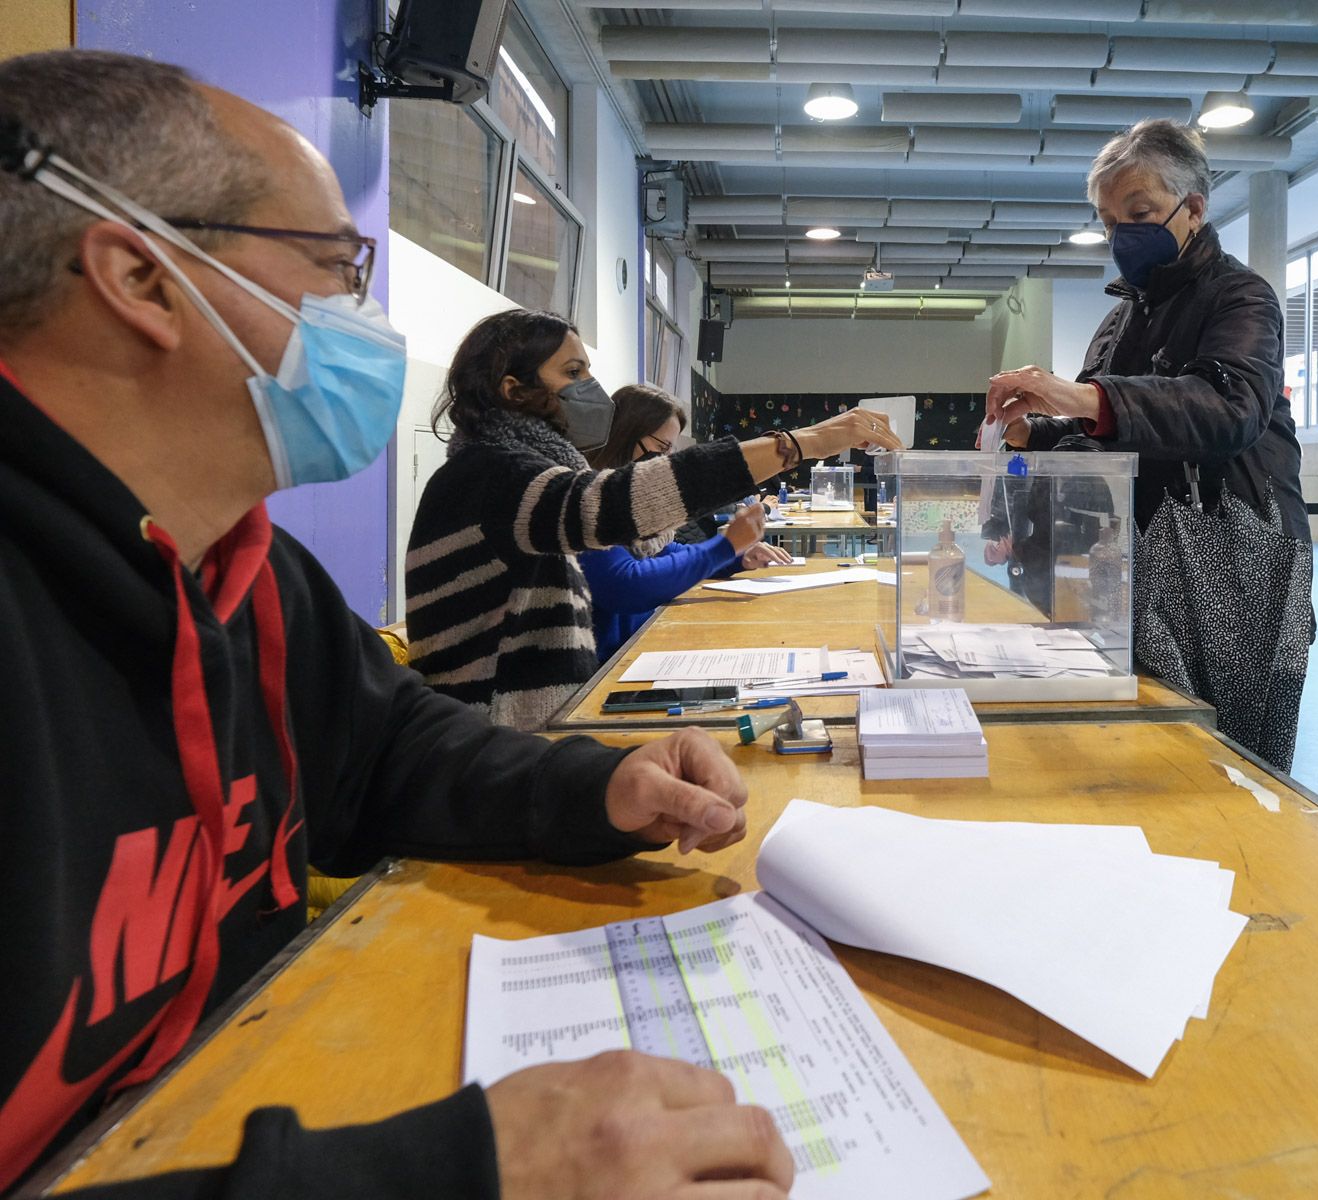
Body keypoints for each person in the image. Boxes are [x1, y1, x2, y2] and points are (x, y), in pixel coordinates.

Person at [0, 50, 796, 1197]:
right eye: (335, 264)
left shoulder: (247, 569)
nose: (362, 317)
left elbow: (386, 750)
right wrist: (454, 1172)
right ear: (141, 277)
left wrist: (590, 787)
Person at [983, 119, 1312, 770]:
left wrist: (1082, 399)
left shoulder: (1241, 298)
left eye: (1140, 213)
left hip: (1233, 549)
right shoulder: (1119, 318)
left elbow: (1229, 408)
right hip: (1133, 552)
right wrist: (1032, 434)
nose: (1121, 235)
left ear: (1194, 208)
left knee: (1232, 757)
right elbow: (1096, 430)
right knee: (1146, 742)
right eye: (1109, 221)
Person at [406, 312, 897, 731]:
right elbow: (622, 506)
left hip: (526, 730)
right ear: (514, 390)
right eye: (572, 371)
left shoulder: (511, 470)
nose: (591, 389)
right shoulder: (493, 474)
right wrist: (799, 444)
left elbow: (635, 526)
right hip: (496, 744)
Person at [578, 384, 792, 662]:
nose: (665, 463)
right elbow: (626, 585)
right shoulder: (586, 500)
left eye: (671, 452)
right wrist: (723, 548)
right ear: (624, 435)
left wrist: (737, 558)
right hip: (604, 667)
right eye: (660, 448)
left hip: (635, 648)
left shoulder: (626, 505)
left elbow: (665, 552)